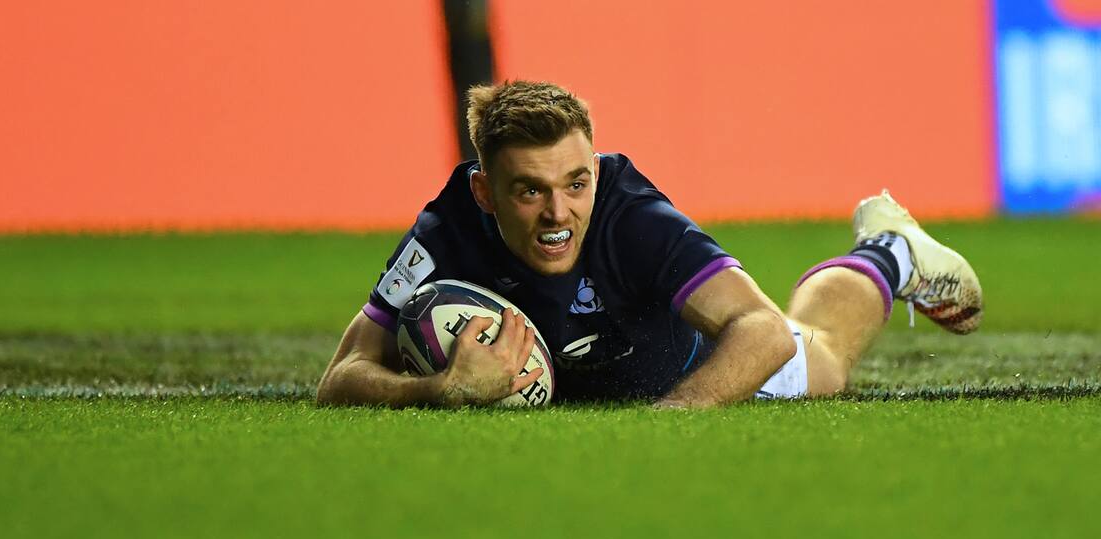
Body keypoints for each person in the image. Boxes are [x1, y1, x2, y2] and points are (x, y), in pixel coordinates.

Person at [316, 81, 982, 408]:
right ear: (486, 193)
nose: (558, 212)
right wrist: (442, 390)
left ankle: (891, 251)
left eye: (576, 184)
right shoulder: (444, 232)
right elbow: (339, 378)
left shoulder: (630, 214)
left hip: (697, 367)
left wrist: (675, 414)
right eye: (529, 192)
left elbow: (762, 331)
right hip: (588, 387)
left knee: (822, 357)